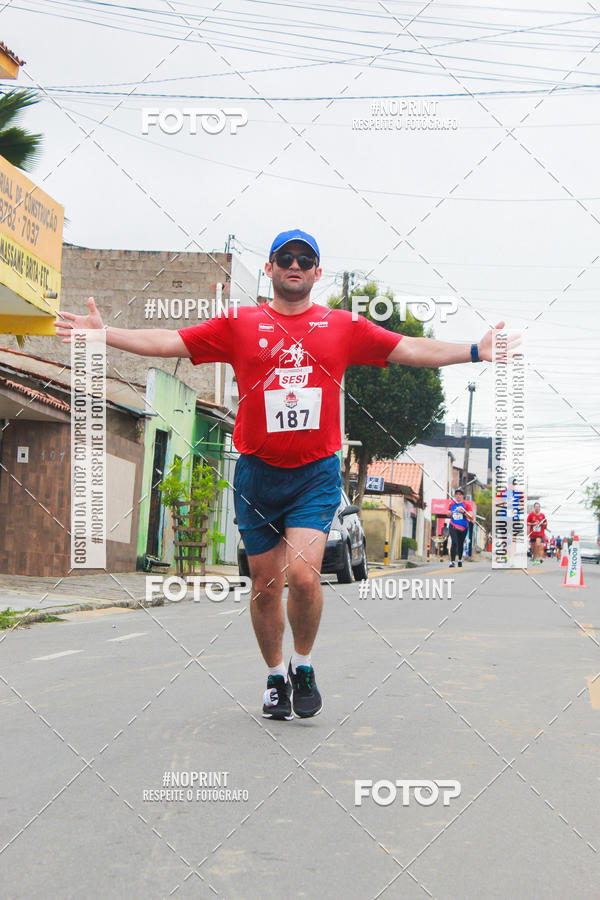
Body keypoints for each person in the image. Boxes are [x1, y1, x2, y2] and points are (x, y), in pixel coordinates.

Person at [55, 227, 512, 721]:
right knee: (265, 586)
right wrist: (104, 334)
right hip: (256, 474)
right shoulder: (239, 323)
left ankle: (304, 664)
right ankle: (276, 676)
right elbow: (170, 340)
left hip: (314, 475)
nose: (295, 265)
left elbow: (408, 348)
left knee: (304, 576)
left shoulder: (342, 326)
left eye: (305, 259)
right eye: (285, 257)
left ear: (317, 272)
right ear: (270, 268)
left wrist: (475, 350)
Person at [448, 488, 474, 567]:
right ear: (454, 496)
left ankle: (459, 559)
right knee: (454, 542)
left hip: (463, 527)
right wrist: (449, 513)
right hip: (453, 525)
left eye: (460, 495)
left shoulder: (466, 505)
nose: (458, 496)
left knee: (460, 543)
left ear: (463, 496)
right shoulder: (451, 504)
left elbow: (471, 517)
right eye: (457, 495)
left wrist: (464, 512)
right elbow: (448, 513)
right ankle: (452, 561)